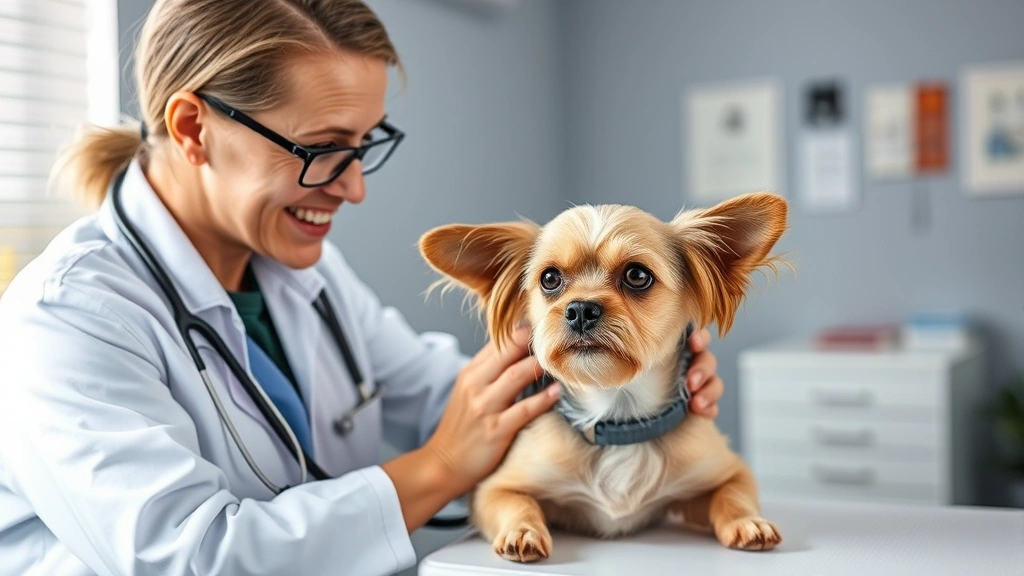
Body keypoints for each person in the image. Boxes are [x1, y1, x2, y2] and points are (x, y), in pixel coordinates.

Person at [0, 1, 725, 574]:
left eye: (365, 145)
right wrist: (439, 467)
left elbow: (437, 392)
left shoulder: (292, 265)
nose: (352, 188)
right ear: (193, 128)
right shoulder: (66, 318)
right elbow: (193, 558)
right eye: (321, 150)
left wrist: (629, 385)